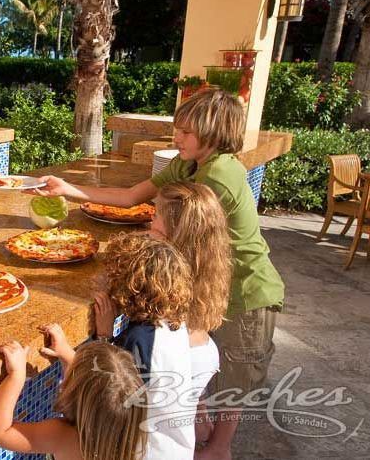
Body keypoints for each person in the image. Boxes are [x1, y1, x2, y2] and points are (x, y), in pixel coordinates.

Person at [33, 89, 284, 460]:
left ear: (214, 132)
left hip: (246, 290)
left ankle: (219, 448)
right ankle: (196, 427)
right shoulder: (189, 164)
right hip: (206, 275)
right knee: (193, 358)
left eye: (186, 131)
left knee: (237, 376)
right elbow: (135, 194)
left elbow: (179, 237)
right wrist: (71, 190)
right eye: (177, 128)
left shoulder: (219, 177)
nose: (176, 138)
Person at [87, 232, 197, 460]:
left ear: (131, 286)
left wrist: (104, 336)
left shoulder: (140, 339)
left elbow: (112, 394)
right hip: (176, 448)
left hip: (145, 451)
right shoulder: (173, 322)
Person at [149, 181, 233, 444]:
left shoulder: (163, 281)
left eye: (155, 215)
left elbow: (120, 395)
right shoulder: (204, 265)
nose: (149, 220)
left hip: (175, 370)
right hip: (204, 356)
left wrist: (104, 335)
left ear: (171, 234)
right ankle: (201, 434)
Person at [0, 338, 148, 460]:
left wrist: (16, 376)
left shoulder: (64, 436)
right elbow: (98, 390)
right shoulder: (126, 442)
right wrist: (68, 354)